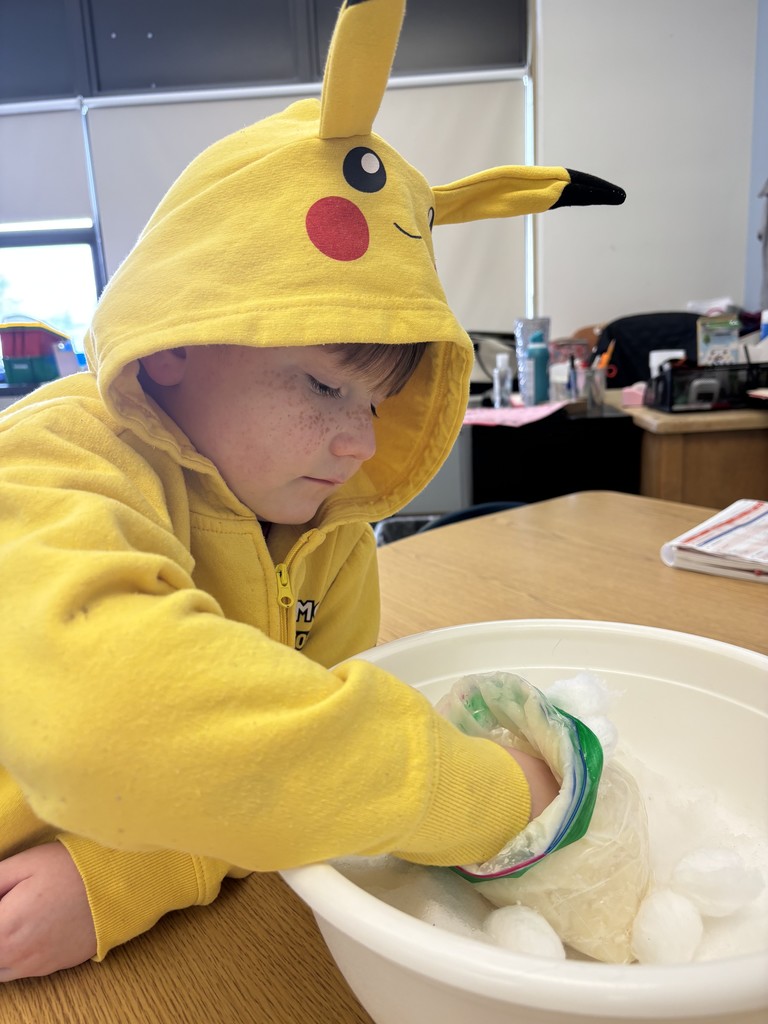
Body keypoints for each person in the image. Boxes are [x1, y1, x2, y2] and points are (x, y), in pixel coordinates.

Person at [0, 0, 623, 980]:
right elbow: (111, 724)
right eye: (324, 384)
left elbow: (296, 776)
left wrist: (121, 875)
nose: (357, 440)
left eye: (379, 399)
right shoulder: (56, 458)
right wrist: (486, 791)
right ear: (174, 349)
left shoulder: (327, 532)